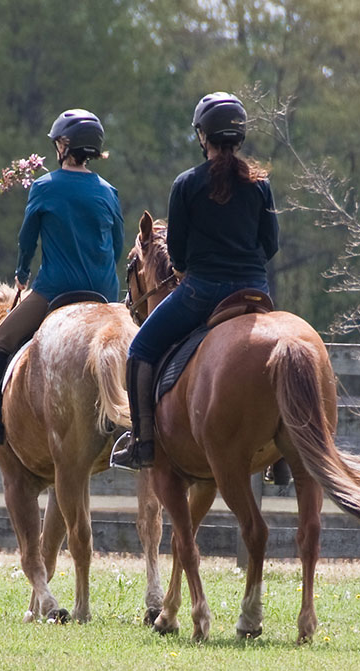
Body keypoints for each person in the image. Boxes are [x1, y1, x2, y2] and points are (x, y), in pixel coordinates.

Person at [109, 92, 278, 470]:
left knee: (140, 350)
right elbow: (271, 245)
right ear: (240, 135)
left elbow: (179, 256)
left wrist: (191, 271)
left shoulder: (186, 184)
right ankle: (281, 454)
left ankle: (142, 442)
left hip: (202, 291)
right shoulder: (260, 185)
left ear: (203, 135)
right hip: (255, 291)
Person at [0, 109, 126, 449]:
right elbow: (117, 246)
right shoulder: (109, 191)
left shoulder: (44, 187)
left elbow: (27, 239)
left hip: (55, 291)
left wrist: (22, 274)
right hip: (104, 293)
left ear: (64, 145)